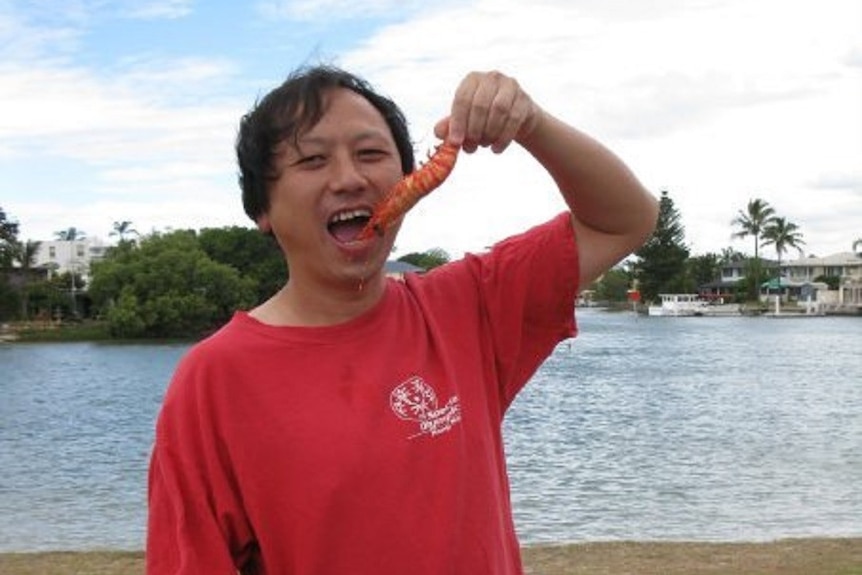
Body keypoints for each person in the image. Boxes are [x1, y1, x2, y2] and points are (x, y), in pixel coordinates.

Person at [146, 64, 658, 575]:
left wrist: (532, 125)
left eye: (371, 154)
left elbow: (625, 219)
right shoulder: (214, 380)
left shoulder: (468, 307)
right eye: (312, 160)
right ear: (262, 207)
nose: (349, 178)